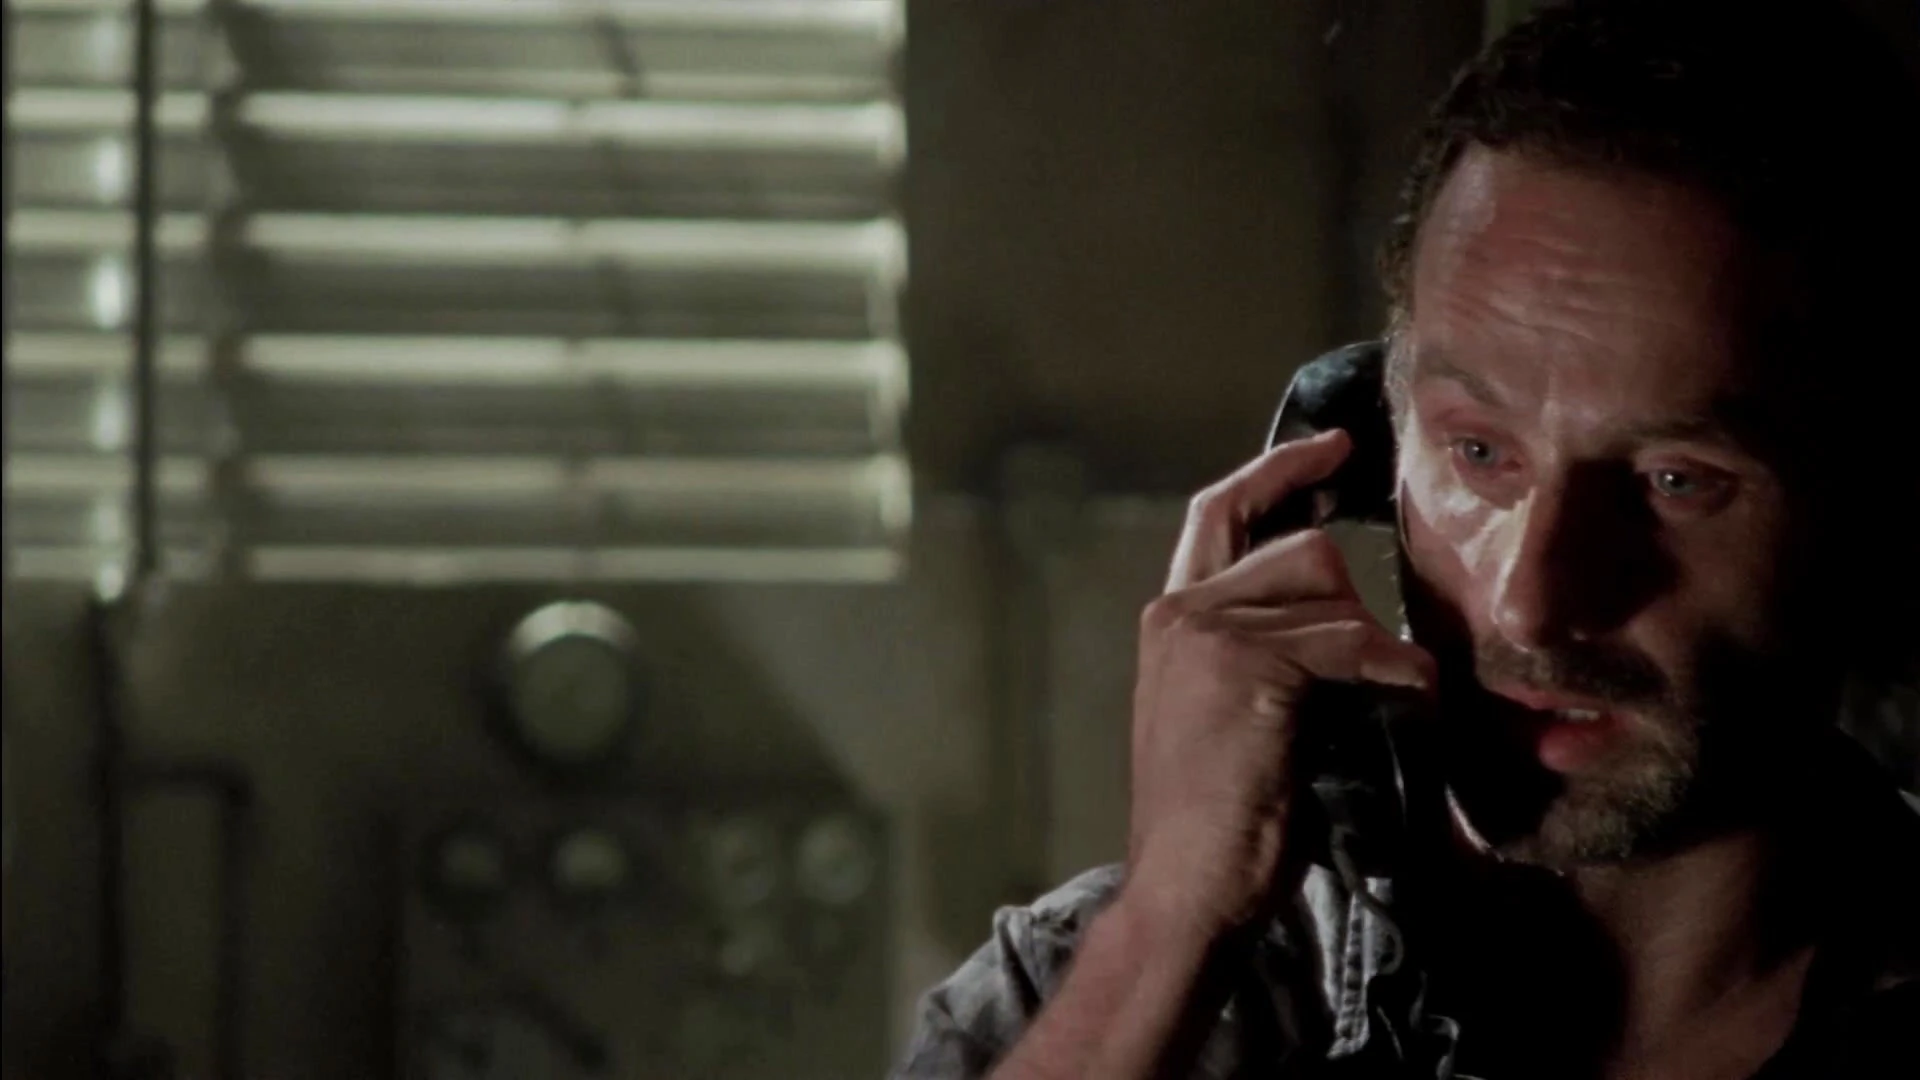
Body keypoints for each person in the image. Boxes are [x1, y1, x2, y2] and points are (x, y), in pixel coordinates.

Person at [891, 1, 1920, 1077]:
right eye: (1478, 452)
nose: (1528, 602)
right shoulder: (1097, 991)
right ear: (1368, 440)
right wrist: (1167, 927)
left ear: (1878, 507)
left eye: (1675, 482)